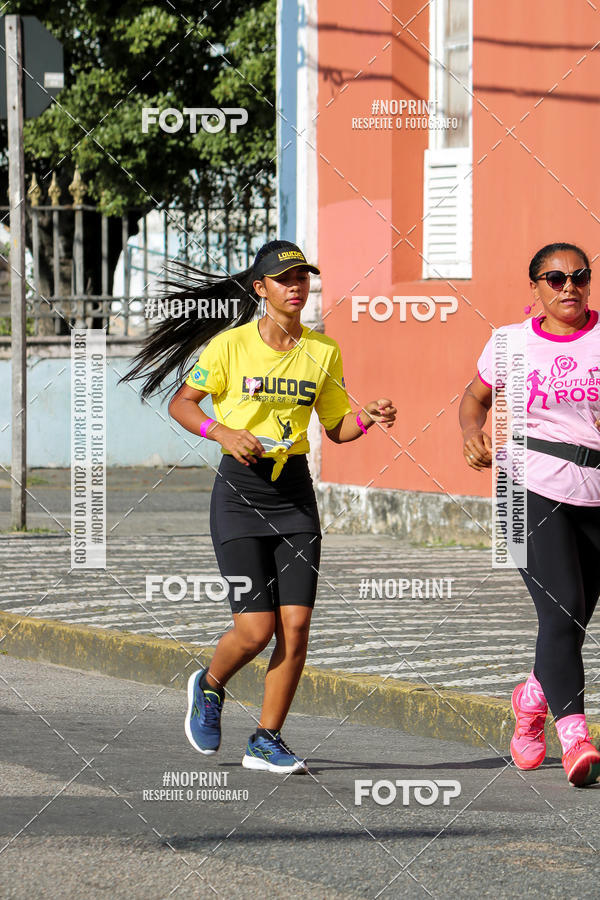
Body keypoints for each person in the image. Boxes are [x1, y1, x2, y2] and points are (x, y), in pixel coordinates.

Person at [121, 239, 396, 774]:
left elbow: (335, 427)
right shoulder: (230, 346)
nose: (296, 287)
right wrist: (222, 432)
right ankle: (210, 684)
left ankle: (266, 739)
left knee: (296, 628)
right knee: (255, 630)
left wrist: (367, 416)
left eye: (303, 278)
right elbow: (182, 403)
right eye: (284, 279)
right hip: (241, 496)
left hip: (294, 496)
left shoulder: (323, 351)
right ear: (260, 288)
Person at [459, 241, 600, 787]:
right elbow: (474, 400)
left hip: (595, 488)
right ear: (536, 287)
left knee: (574, 618)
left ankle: (531, 698)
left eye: (579, 276)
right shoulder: (510, 343)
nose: (569, 286)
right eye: (555, 278)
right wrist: (472, 434)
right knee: (563, 609)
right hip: (525, 487)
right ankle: (575, 738)